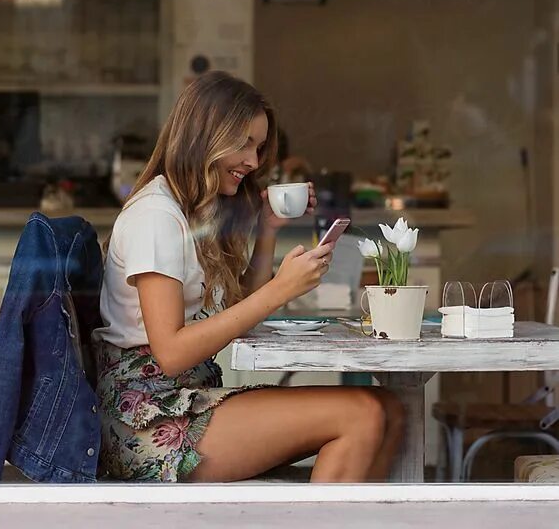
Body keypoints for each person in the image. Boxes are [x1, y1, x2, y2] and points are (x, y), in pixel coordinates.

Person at [91, 71, 404, 484]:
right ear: (204, 137)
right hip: (148, 419)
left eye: (258, 148)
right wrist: (279, 290)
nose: (254, 162)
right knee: (363, 414)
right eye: (243, 145)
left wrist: (268, 229)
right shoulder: (155, 218)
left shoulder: (190, 213)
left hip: (190, 399)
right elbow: (171, 353)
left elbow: (239, 309)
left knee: (391, 410)